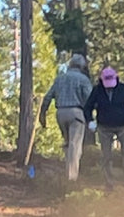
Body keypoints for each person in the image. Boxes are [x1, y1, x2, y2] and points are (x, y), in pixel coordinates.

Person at [83, 67, 124, 189]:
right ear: (101, 80)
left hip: (123, 126)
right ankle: (109, 182)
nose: (109, 87)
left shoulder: (123, 89)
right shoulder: (97, 91)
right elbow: (88, 107)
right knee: (106, 155)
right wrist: (89, 121)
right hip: (104, 128)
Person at [38, 54, 91, 182]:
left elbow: (48, 97)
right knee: (74, 145)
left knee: (68, 144)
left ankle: (68, 171)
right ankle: (72, 178)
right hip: (77, 113)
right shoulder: (83, 79)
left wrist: (42, 114)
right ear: (82, 66)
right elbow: (90, 98)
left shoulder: (60, 79)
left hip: (61, 113)